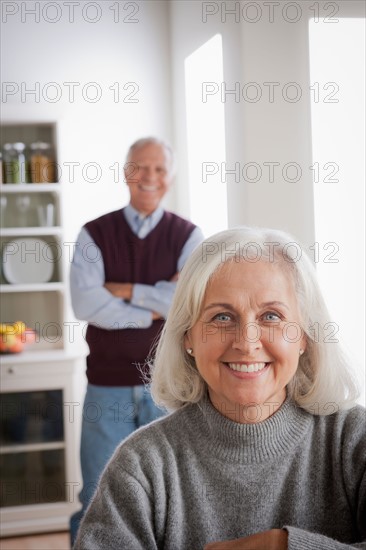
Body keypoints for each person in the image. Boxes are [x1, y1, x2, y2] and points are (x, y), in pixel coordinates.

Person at [74, 226, 365, 550]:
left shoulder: (352, 439)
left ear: (304, 336)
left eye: (271, 315)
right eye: (222, 317)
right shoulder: (141, 465)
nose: (246, 343)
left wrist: (281, 546)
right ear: (188, 336)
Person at [69, 137, 204, 544]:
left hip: (168, 384)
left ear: (171, 177)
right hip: (105, 387)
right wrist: (157, 303)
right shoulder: (94, 233)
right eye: (140, 167)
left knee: (171, 493)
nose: (149, 177)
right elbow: (87, 304)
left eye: (159, 169)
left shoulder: (189, 236)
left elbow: (187, 302)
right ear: (126, 172)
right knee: (95, 492)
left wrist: (126, 290)